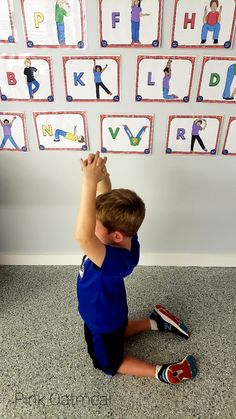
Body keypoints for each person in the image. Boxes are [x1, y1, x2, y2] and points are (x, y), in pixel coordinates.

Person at [75, 151, 197, 384]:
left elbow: (82, 236)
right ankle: (156, 321)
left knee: (108, 362)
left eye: (95, 224)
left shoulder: (112, 259)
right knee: (116, 332)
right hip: (111, 312)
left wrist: (87, 183)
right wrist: (101, 177)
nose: (91, 225)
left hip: (101, 320)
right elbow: (106, 197)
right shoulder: (125, 240)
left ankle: (163, 372)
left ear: (116, 235)